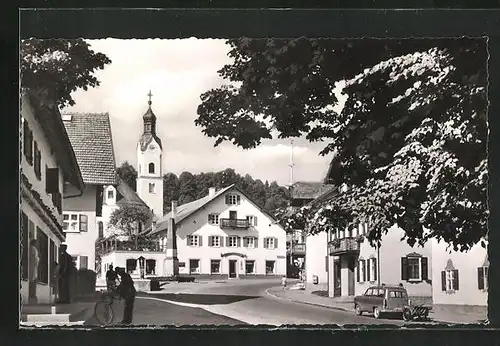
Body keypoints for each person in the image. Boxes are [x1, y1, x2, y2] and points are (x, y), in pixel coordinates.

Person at [28, 239, 39, 304]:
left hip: (32, 267)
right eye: (36, 243)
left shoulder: (30, 248)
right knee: (33, 281)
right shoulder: (33, 249)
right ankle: (32, 295)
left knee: (32, 280)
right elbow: (35, 259)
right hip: (33, 267)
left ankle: (32, 295)